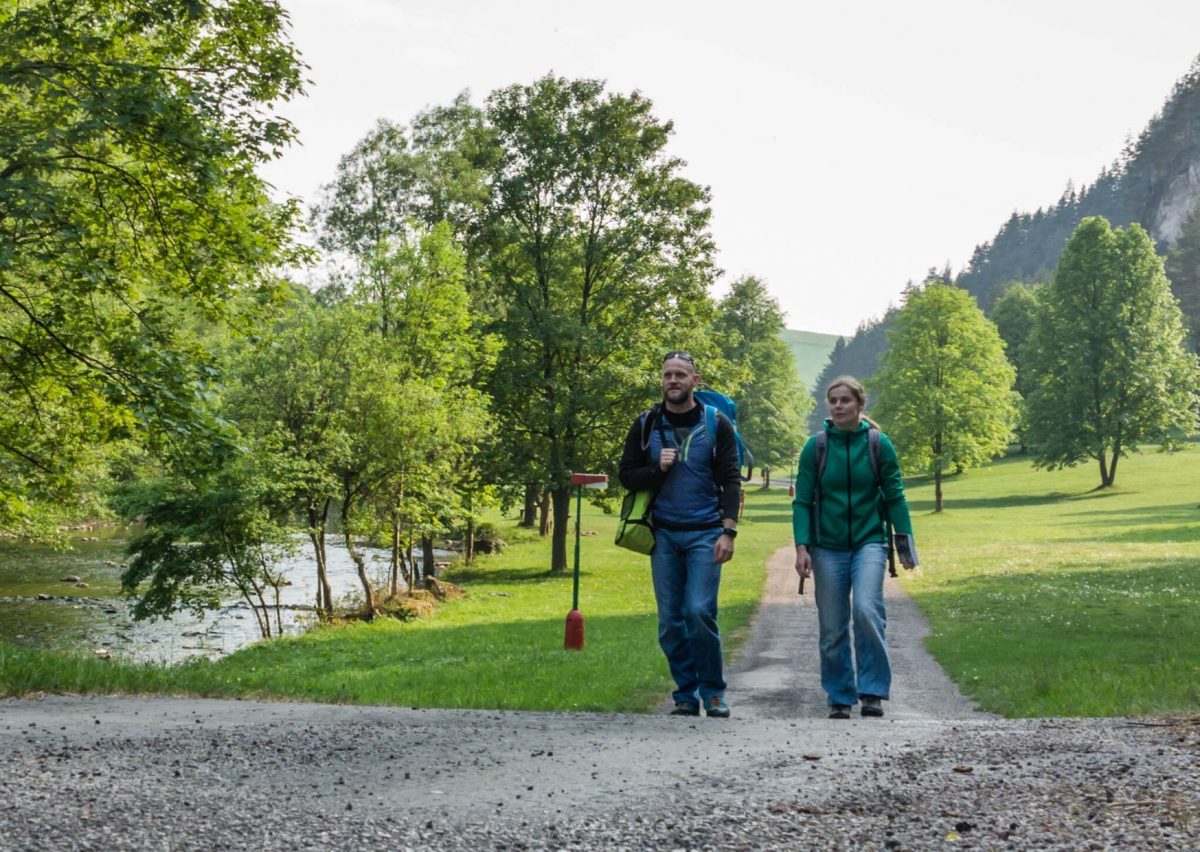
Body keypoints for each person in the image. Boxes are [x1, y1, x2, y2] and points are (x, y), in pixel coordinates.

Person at [619, 352, 742, 718]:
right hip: (664, 536)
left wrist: (729, 531)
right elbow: (627, 475)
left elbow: (731, 480)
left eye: (680, 375)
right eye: (667, 375)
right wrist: (657, 468)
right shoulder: (646, 424)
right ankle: (686, 694)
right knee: (671, 620)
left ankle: (714, 692)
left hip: (706, 533)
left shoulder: (716, 423)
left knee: (699, 611)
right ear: (662, 381)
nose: (673, 380)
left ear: (695, 380)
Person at [792, 376, 917, 719]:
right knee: (832, 626)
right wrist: (802, 547)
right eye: (833, 400)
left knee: (866, 610)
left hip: (869, 542)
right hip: (826, 547)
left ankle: (873, 691)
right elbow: (802, 502)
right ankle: (839, 695)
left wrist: (904, 546)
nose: (838, 406)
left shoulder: (879, 445)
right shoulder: (815, 447)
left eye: (845, 400)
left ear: (860, 404)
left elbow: (895, 497)